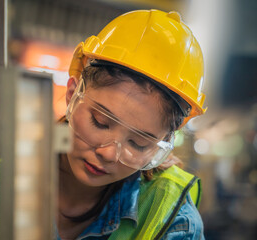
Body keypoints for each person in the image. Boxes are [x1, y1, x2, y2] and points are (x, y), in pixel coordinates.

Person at [57, 9, 206, 240]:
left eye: (138, 144)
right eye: (100, 122)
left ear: (161, 145)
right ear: (72, 94)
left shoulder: (174, 221)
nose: (108, 154)